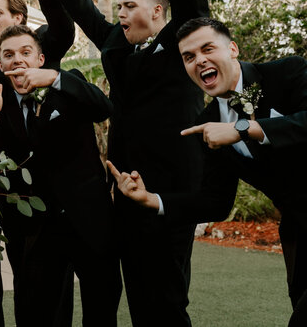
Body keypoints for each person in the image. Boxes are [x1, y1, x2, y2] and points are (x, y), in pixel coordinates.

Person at [32, 0, 210, 325]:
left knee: (166, 300)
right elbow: (80, 8)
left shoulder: (180, 41)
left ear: (157, 12)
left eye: (130, 5)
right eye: (119, 6)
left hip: (171, 186)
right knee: (137, 298)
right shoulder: (116, 44)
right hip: (124, 188)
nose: (121, 13)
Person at [109, 17, 307, 326]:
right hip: (299, 230)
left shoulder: (288, 72)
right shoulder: (209, 122)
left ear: (232, 49)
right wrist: (152, 199)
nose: (199, 60)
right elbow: (216, 201)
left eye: (207, 49)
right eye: (189, 57)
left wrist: (243, 128)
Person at [0, 25, 121, 326]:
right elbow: (0, 161)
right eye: (8, 55)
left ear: (40, 58)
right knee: (42, 310)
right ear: (0, 64)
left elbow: (103, 107)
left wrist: (57, 79)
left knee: (101, 303)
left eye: (25, 52)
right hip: (38, 226)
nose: (17, 60)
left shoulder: (70, 83)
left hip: (88, 217)